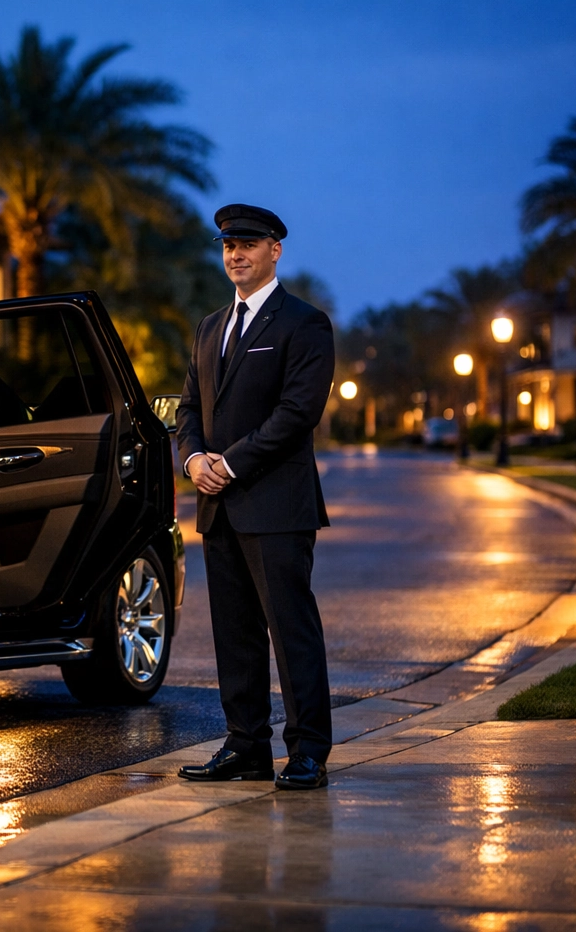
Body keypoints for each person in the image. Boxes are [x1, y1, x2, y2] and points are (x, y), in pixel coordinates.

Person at [175, 204, 336, 791]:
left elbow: (298, 413)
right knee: (235, 635)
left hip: (276, 505)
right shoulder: (210, 326)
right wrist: (193, 459)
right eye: (226, 245)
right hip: (218, 507)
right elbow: (189, 409)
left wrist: (230, 464)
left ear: (275, 251)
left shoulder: (304, 323)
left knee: (291, 631)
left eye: (247, 244)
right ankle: (245, 746)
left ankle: (309, 753)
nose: (235, 254)